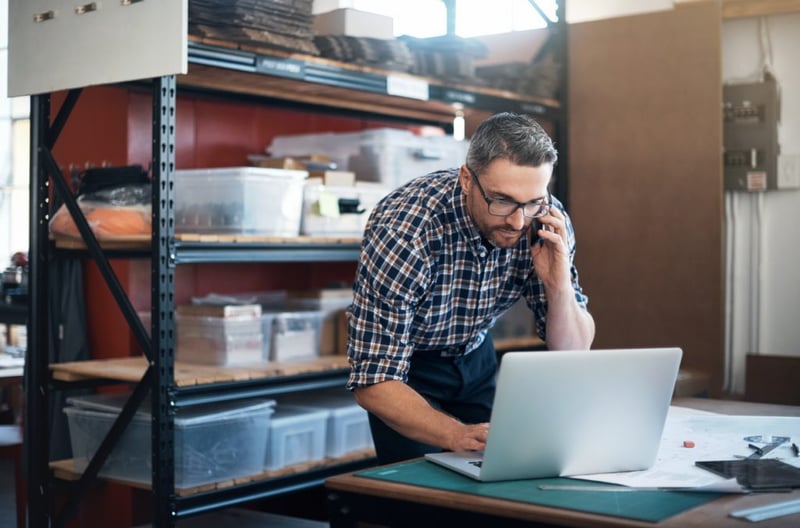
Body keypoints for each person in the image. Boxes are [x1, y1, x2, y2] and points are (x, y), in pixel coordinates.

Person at [346, 112, 595, 464]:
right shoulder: (406, 230)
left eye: (532, 202)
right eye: (502, 200)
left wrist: (559, 288)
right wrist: (455, 434)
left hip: (476, 356)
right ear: (466, 179)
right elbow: (373, 380)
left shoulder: (545, 219)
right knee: (423, 499)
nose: (517, 221)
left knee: (504, 475)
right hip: (407, 373)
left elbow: (573, 352)